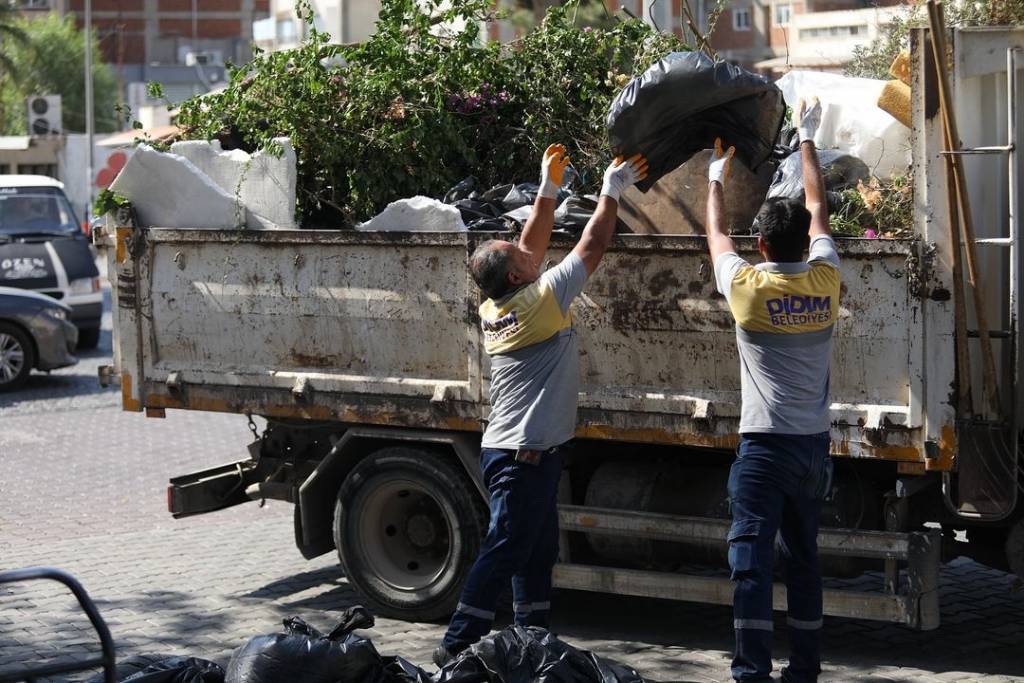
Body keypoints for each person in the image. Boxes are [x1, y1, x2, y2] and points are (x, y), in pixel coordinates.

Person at [433, 145, 648, 666]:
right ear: (517, 277)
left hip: (525, 451)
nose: (535, 256)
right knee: (507, 544)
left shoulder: (498, 302)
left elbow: (526, 249)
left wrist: (548, 191)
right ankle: (457, 643)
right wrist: (610, 191)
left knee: (535, 549)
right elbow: (592, 246)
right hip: (522, 454)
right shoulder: (538, 303)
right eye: (525, 260)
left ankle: (532, 635)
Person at [702, 99, 839, 683]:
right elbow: (817, 205)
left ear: (760, 246)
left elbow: (713, 232)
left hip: (764, 450)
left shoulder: (748, 290)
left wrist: (715, 177)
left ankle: (751, 673)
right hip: (813, 449)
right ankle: (804, 669)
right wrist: (806, 138)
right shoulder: (826, 278)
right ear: (803, 243)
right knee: (805, 565)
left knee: (752, 568)